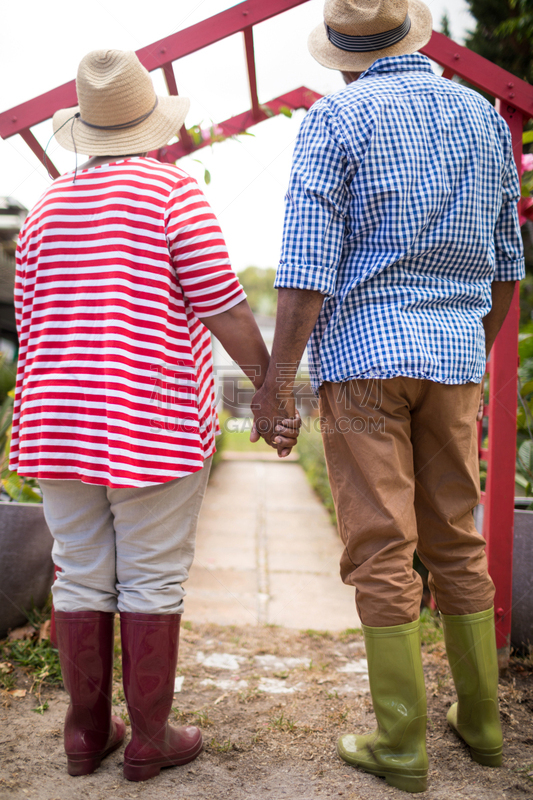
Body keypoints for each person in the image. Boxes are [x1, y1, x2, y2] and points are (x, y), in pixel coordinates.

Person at [253, 0, 525, 793]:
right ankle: (480, 726)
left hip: (365, 360)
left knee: (380, 545)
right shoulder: (480, 117)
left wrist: (274, 390)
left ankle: (401, 744)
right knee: (455, 538)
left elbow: (305, 272)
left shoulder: (335, 122)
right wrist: (467, 351)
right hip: (450, 359)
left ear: (341, 55)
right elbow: (507, 264)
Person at [13, 49, 299, 783]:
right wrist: (269, 391)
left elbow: (31, 319)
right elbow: (224, 307)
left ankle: (84, 735)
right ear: (151, 125)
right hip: (152, 424)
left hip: (55, 426)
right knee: (151, 578)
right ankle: (148, 737)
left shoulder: (45, 208)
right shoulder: (172, 194)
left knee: (78, 573)